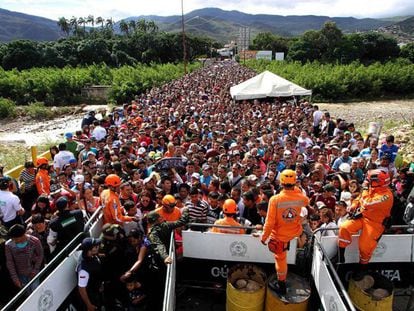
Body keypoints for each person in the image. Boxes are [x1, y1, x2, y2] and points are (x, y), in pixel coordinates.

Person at [260, 169, 310, 295]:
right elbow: (306, 202)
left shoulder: (275, 199)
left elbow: (269, 222)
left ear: (281, 182)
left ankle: (282, 285)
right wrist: (296, 190)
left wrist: (264, 237)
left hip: (280, 236)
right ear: (295, 182)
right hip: (296, 232)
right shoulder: (300, 197)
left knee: (281, 260)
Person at [338, 169, 394, 277]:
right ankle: (341, 255)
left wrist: (363, 189)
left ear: (378, 182)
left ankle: (363, 267)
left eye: (370, 180)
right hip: (362, 217)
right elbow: (359, 199)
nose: (367, 181)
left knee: (365, 247)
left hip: (375, 223)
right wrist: (353, 206)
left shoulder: (386, 196)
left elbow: (366, 202)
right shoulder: (372, 188)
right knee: (344, 227)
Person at [5, 224, 43, 291]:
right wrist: (15, 278)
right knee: (27, 294)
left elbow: (40, 255)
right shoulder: (9, 245)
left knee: (36, 291)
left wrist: (35, 270)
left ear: (23, 235)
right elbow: (9, 261)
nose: (13, 241)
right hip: (20, 276)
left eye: (15, 239)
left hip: (33, 273)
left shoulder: (34, 241)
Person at [77, 237, 103, 311]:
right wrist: (89, 305)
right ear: (89, 250)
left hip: (96, 291)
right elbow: (82, 289)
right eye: (95, 246)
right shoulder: (83, 270)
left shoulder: (91, 256)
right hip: (91, 298)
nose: (98, 246)